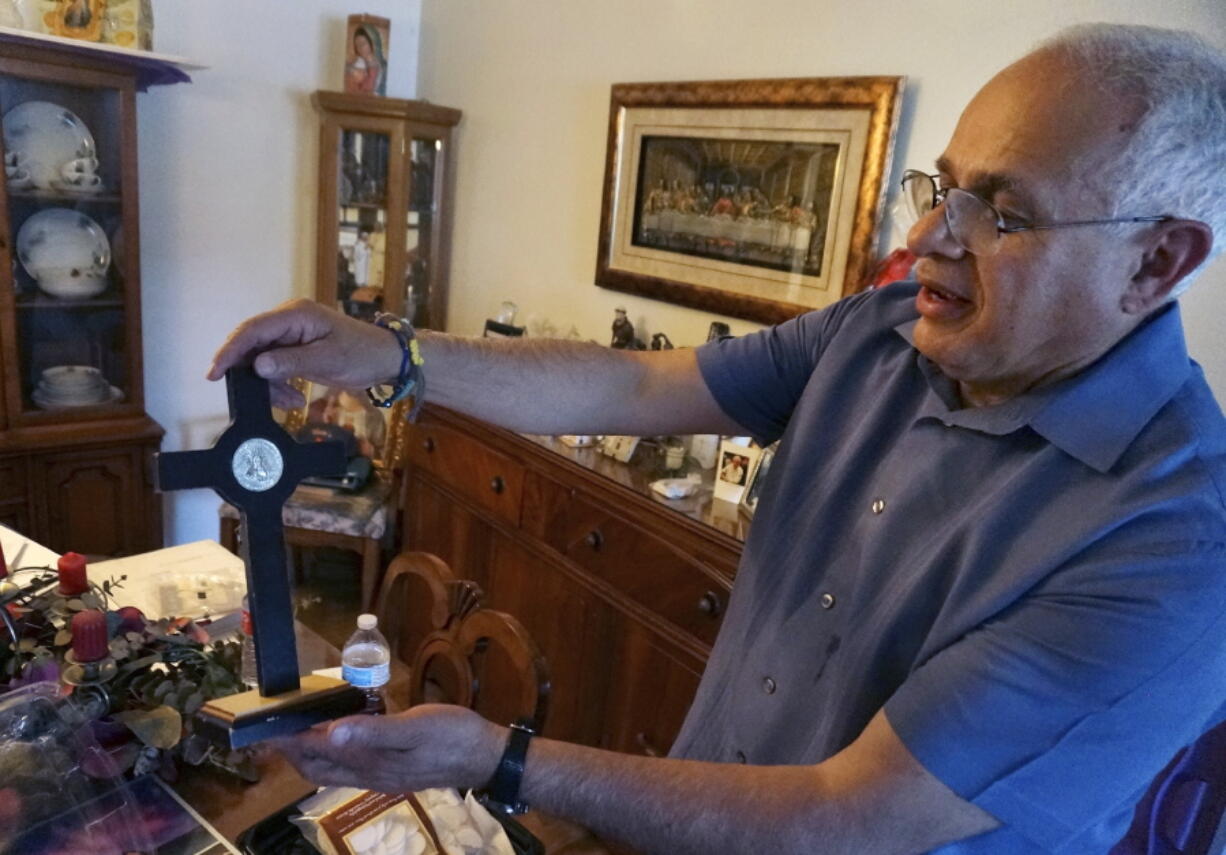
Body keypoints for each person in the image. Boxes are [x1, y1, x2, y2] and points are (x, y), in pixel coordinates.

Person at [210, 24, 1226, 853]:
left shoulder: (1174, 548)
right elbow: (636, 379)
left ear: (1153, 262)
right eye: (942, 187)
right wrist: (390, 354)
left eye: (1000, 212)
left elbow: (847, 817)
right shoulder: (879, 334)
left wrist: (495, 759)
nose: (926, 239)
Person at [345, 26, 386, 96]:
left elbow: (368, 86)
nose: (360, 48)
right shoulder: (357, 61)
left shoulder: (379, 65)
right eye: (357, 45)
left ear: (372, 43)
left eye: (363, 43)